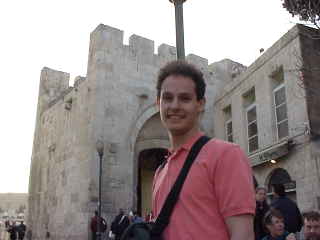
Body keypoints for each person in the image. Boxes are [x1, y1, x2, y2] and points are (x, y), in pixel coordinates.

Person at [152, 60, 256, 240]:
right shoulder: (160, 171)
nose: (175, 106)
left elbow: (243, 234)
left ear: (200, 104)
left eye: (185, 98)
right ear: (158, 103)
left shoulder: (225, 155)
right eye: (167, 98)